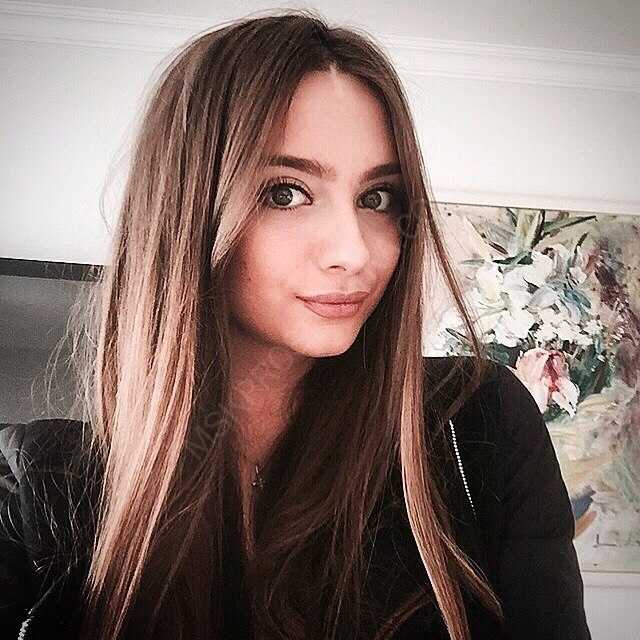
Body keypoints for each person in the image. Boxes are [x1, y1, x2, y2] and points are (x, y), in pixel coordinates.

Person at [0, 9, 591, 640]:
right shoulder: (39, 490)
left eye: (377, 198)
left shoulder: (475, 425)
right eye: (286, 192)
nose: (355, 252)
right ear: (188, 211)